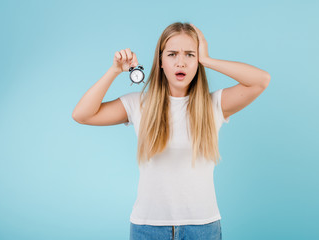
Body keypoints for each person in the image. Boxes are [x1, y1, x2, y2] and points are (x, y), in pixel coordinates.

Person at [72, 22, 270, 240]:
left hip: (202, 227)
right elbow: (82, 114)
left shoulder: (213, 104)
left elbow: (261, 81)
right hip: (148, 228)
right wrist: (114, 71)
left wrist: (207, 60)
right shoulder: (139, 104)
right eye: (173, 54)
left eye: (190, 55)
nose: (181, 62)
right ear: (161, 61)